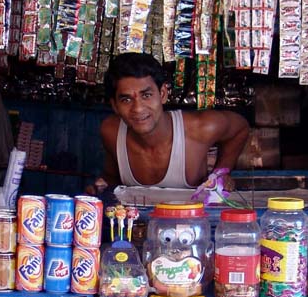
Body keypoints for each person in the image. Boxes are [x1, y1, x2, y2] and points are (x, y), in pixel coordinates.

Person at [90, 53, 249, 193]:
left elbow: (240, 128)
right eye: (126, 99)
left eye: (146, 95)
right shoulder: (111, 131)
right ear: (114, 105)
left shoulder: (199, 128)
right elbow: (112, 177)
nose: (137, 109)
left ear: (163, 94)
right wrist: (99, 186)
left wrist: (221, 173)